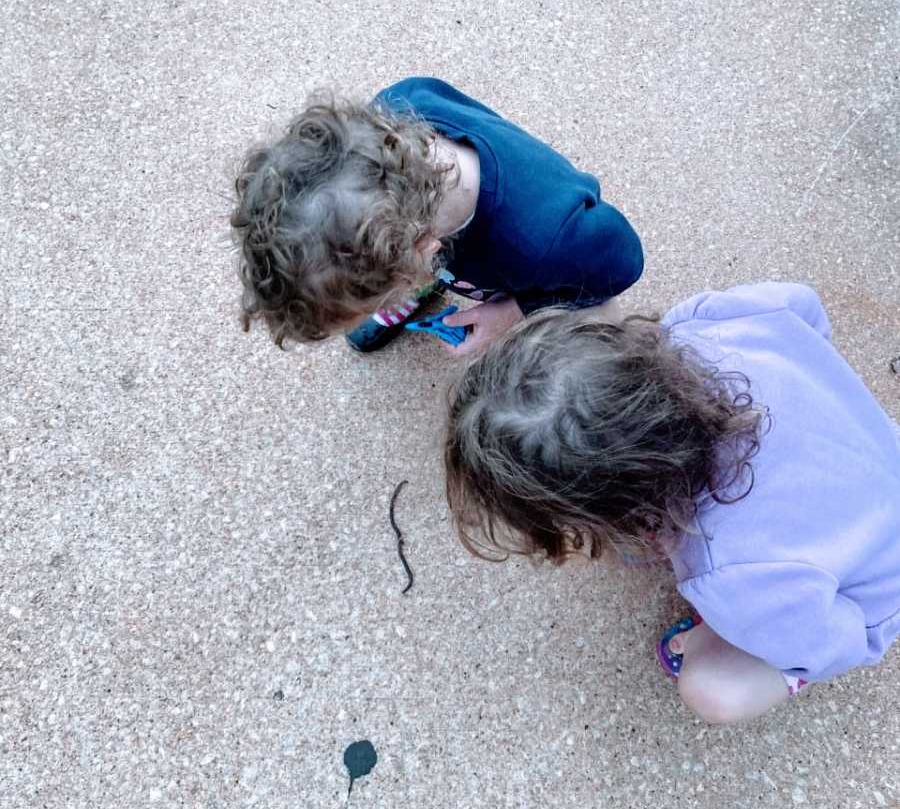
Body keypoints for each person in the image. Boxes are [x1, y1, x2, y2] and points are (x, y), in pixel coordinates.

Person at [444, 282, 900, 724]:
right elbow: (802, 303)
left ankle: (777, 667)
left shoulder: (732, 575)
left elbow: (830, 642)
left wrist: (741, 635)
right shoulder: (700, 324)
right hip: (876, 455)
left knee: (712, 690)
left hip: (873, 588)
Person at [230, 77, 643, 354]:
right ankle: (402, 283)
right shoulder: (398, 108)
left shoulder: (550, 240)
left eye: (390, 293)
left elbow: (623, 266)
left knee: (586, 334)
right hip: (425, 232)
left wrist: (513, 312)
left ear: (425, 248)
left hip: (531, 262)